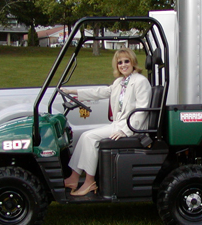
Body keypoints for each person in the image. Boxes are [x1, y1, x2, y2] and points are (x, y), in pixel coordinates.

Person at [62, 48, 152, 196]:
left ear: (133, 62)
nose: (123, 65)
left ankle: (89, 181)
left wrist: (126, 130)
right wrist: (73, 92)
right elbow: (100, 92)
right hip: (119, 124)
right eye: (120, 62)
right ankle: (74, 177)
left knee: (90, 137)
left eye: (126, 61)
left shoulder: (140, 82)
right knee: (85, 135)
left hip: (130, 127)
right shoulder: (120, 82)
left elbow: (142, 110)